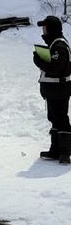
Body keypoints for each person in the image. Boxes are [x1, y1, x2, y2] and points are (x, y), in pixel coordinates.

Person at [33, 15, 71, 164]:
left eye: (45, 28)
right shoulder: (54, 44)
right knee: (54, 118)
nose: (43, 30)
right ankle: (55, 150)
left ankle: (65, 153)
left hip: (60, 89)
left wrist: (38, 60)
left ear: (51, 29)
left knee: (61, 118)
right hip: (54, 90)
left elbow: (55, 67)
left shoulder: (59, 46)